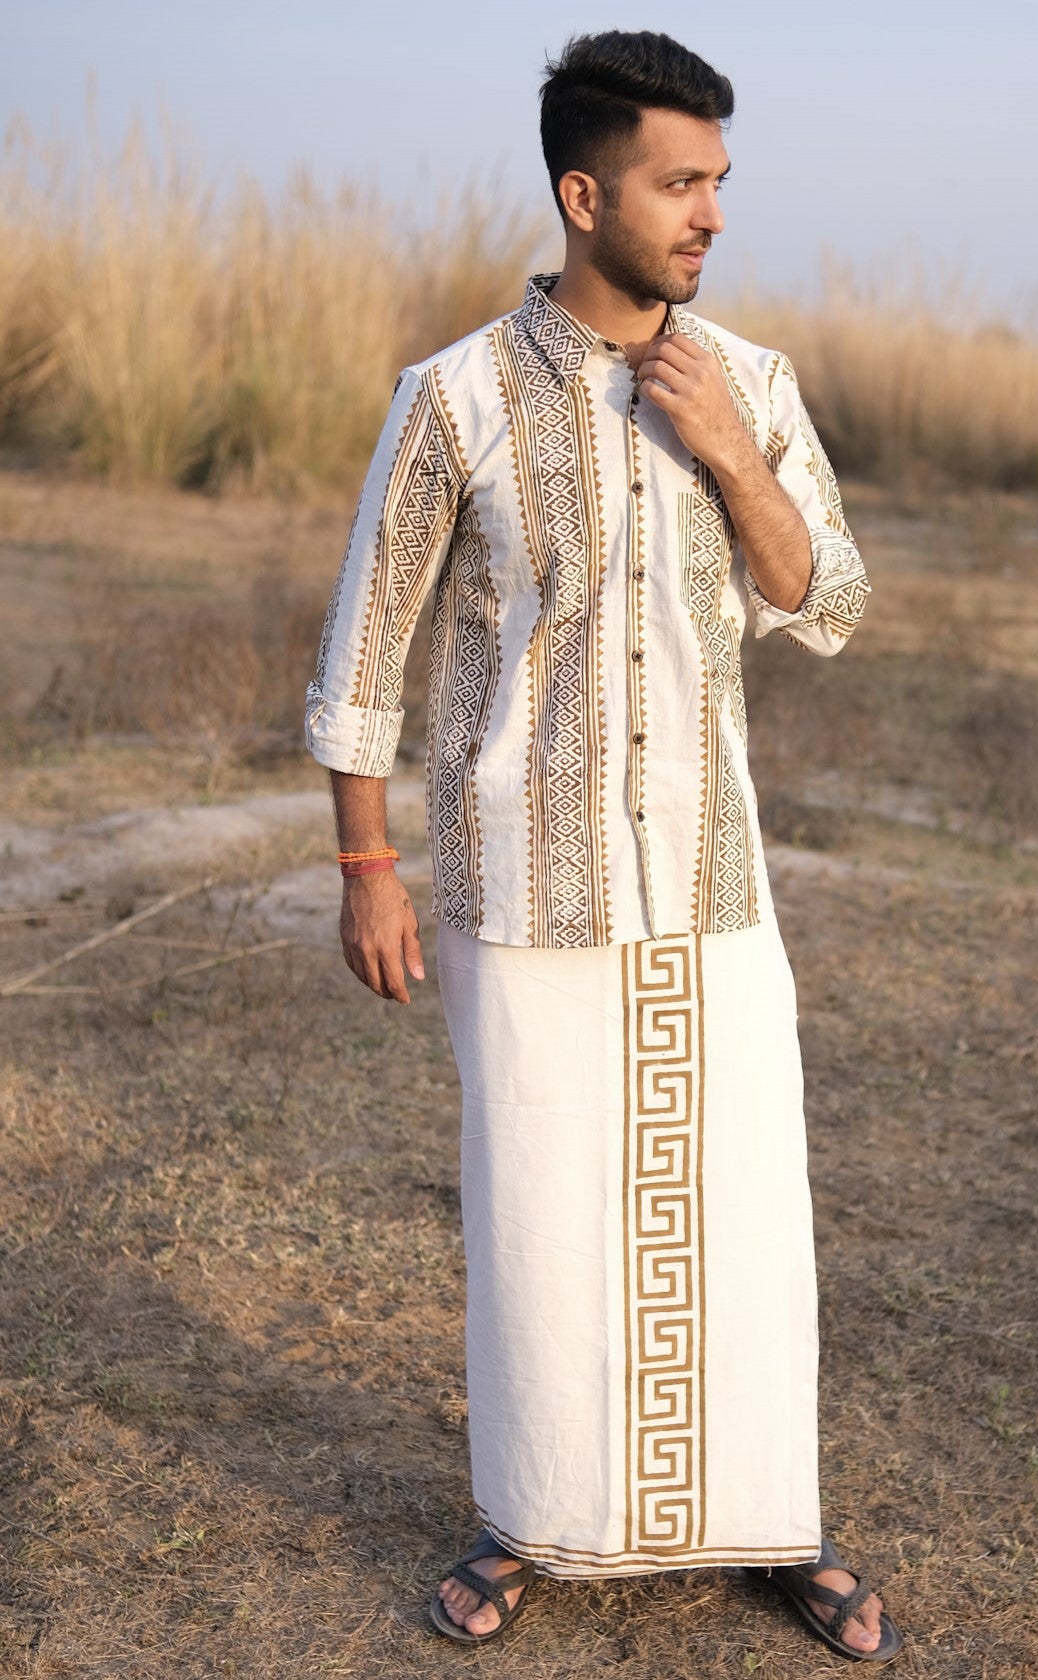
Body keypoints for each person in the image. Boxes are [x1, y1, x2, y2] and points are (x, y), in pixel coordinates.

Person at [304, 28, 903, 1665]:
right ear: (585, 195)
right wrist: (367, 869)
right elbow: (368, 645)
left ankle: (772, 1521)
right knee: (541, 1216)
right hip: (522, 883)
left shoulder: (752, 383)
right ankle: (532, 1521)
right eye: (679, 182)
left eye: (720, 180)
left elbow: (830, 602)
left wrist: (726, 450)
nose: (711, 213)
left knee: (747, 1216)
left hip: (712, 885)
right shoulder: (454, 397)